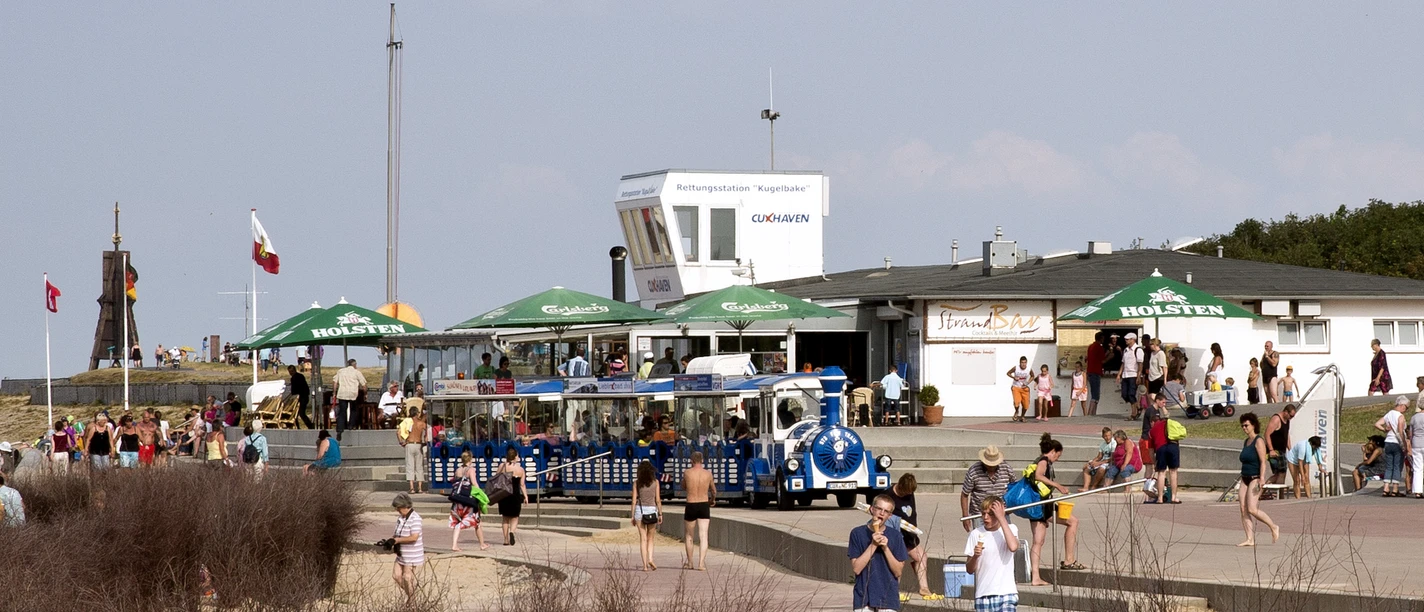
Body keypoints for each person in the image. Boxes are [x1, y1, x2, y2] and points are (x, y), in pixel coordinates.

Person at [1027, 433, 1082, 585]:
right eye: (1058, 455)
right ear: (1053, 451)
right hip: (1043, 504)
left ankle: (1035, 576)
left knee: (1038, 541)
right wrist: (1058, 485)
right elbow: (1038, 476)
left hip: (1037, 504)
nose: (1057, 458)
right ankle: (1069, 560)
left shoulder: (1040, 460)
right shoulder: (1044, 461)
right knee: (1073, 522)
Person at [849, 494, 908, 611]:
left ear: (890, 516)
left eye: (886, 511)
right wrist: (873, 545)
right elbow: (856, 568)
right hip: (864, 598)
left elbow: (898, 572)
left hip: (888, 598)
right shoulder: (857, 533)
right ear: (872, 509)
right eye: (879, 509)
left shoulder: (895, 536)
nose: (882, 513)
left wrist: (885, 548)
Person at [965, 495, 1019, 612]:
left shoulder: (1010, 528)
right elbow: (969, 569)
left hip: (1006, 593)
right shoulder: (976, 534)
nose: (986, 517)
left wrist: (1002, 518)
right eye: (983, 513)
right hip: (983, 594)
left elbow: (1013, 547)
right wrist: (975, 556)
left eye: (991, 514)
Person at [1236, 412, 1280, 547]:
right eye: (1242, 426)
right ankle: (1250, 538)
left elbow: (1263, 461)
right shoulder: (1246, 442)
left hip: (1255, 478)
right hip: (1244, 478)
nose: (1244, 428)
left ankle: (1273, 526)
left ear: (1253, 425)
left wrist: (1262, 478)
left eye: (1246, 425)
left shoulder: (1258, 441)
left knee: (1252, 509)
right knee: (1243, 509)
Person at [888, 473, 933, 599]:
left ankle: (924, 588)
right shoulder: (888, 495)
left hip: (910, 535)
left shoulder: (909, 494)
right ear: (900, 486)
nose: (907, 494)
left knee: (922, 557)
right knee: (899, 561)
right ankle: (894, 590)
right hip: (896, 536)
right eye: (905, 492)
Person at [961, 446, 1012, 532]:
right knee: (982, 540)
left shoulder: (1006, 468)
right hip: (980, 514)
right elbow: (964, 494)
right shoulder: (974, 471)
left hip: (1001, 512)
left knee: (1004, 539)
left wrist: (1011, 505)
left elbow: (1014, 487)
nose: (991, 467)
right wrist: (966, 516)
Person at [449, 451, 490, 551]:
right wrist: (481, 495)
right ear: (470, 459)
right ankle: (481, 544)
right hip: (468, 500)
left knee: (459, 522)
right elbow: (474, 483)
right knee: (476, 521)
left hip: (458, 500)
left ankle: (455, 544)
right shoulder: (471, 470)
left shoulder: (458, 470)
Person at [681, 451, 716, 571]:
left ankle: (690, 562)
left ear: (691, 461)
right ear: (702, 461)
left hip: (691, 504)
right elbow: (713, 490)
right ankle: (701, 564)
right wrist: (712, 500)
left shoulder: (687, 472)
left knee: (689, 536)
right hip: (703, 504)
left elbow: (683, 486)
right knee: (703, 535)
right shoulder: (708, 474)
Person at [389, 493, 424, 605]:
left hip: (412, 553)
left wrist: (398, 540)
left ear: (405, 507)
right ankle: (412, 596)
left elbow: (414, 537)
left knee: (407, 578)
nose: (397, 511)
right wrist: (390, 541)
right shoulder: (400, 518)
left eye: (398, 508)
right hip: (401, 553)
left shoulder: (415, 518)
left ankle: (412, 601)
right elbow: (397, 534)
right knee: (396, 576)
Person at [1145, 396, 1181, 504]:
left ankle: (1160, 498)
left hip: (1161, 449)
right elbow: (1167, 416)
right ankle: (1174, 497)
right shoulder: (1167, 423)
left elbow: (1151, 450)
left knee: (1161, 473)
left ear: (1152, 422)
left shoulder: (1151, 431)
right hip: (1173, 446)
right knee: (1173, 472)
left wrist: (1154, 462)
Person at [631, 459, 663, 571]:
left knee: (643, 539)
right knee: (651, 538)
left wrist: (632, 516)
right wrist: (660, 514)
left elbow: (634, 500)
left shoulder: (636, 483)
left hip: (640, 511)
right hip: (652, 510)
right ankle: (650, 558)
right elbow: (658, 500)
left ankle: (644, 565)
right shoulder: (656, 483)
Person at [1375, 396, 1409, 497]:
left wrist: (1384, 430)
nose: (1406, 410)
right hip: (1397, 443)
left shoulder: (1389, 414)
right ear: (1402, 405)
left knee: (1389, 465)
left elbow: (1377, 424)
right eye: (1406, 407)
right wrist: (1404, 444)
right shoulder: (1400, 416)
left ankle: (1386, 487)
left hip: (1388, 442)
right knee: (1397, 466)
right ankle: (1395, 489)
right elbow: (1400, 431)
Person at [497, 447, 528, 545]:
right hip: (515, 495)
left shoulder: (502, 466)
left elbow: (496, 477)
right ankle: (512, 532)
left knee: (505, 518)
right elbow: (522, 485)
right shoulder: (520, 469)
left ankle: (505, 540)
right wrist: (526, 496)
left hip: (504, 494)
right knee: (515, 517)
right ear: (515, 457)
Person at [333, 359, 367, 440]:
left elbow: (335, 382)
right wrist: (365, 394)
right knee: (354, 410)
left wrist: (334, 392)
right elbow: (364, 384)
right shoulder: (357, 372)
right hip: (353, 393)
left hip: (342, 393)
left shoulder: (340, 371)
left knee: (342, 411)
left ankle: (340, 428)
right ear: (354, 365)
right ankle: (351, 425)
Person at [1264, 404, 1296, 486]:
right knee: (1280, 473)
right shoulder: (1276, 419)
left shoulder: (1287, 420)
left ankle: (1278, 494)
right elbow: (1267, 434)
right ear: (1285, 412)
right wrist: (1271, 450)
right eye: (1291, 416)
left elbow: (1286, 435)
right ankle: (1263, 490)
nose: (1291, 418)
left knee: (1281, 473)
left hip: (1282, 451)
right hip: (1275, 450)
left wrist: (1290, 449)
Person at [399, 406, 428, 494]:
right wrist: (425, 441)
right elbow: (427, 434)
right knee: (419, 466)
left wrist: (401, 442)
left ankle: (411, 487)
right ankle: (419, 488)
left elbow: (398, 432)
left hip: (409, 443)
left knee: (410, 466)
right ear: (417, 413)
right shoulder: (421, 423)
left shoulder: (407, 422)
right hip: (418, 444)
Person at [1078, 427, 1116, 492]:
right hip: (1103, 461)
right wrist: (1093, 462)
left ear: (1111, 435)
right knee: (1086, 468)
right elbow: (1099, 456)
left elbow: (1112, 458)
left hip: (1110, 462)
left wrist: (1099, 463)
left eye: (1109, 435)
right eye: (1105, 436)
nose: (1108, 437)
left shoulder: (1113, 443)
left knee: (1101, 469)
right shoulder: (1102, 444)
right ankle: (1086, 487)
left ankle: (1094, 486)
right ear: (1103, 436)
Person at [1117, 333, 1144, 416]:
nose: (1126, 341)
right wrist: (1119, 374)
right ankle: (1138, 406)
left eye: (1128, 339)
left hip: (1133, 375)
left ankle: (1133, 414)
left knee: (1131, 394)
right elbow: (1123, 363)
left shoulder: (1138, 350)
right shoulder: (1126, 350)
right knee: (1124, 394)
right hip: (1126, 375)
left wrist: (1138, 376)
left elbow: (1140, 364)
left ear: (1133, 339)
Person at [1084, 332, 1107, 416]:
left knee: (1094, 393)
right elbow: (1103, 360)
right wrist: (1110, 356)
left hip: (1090, 372)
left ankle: (1093, 413)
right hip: (1095, 372)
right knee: (1095, 395)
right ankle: (1091, 413)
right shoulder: (1099, 347)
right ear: (1100, 338)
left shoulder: (1090, 346)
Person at [1006, 357, 1031, 423]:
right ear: (1020, 363)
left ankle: (1022, 416)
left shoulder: (1028, 369)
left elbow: (1032, 376)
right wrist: (1014, 377)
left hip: (1024, 388)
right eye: (1022, 362)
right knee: (1016, 402)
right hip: (1016, 387)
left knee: (1026, 404)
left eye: (1025, 362)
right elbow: (1008, 373)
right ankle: (1017, 411)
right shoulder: (1016, 368)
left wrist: (1027, 383)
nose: (1023, 364)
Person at [1412, 382, 1424, 498]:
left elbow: (1411, 433)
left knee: (1417, 468)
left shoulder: (1414, 418)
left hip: (1416, 443)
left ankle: (1417, 490)